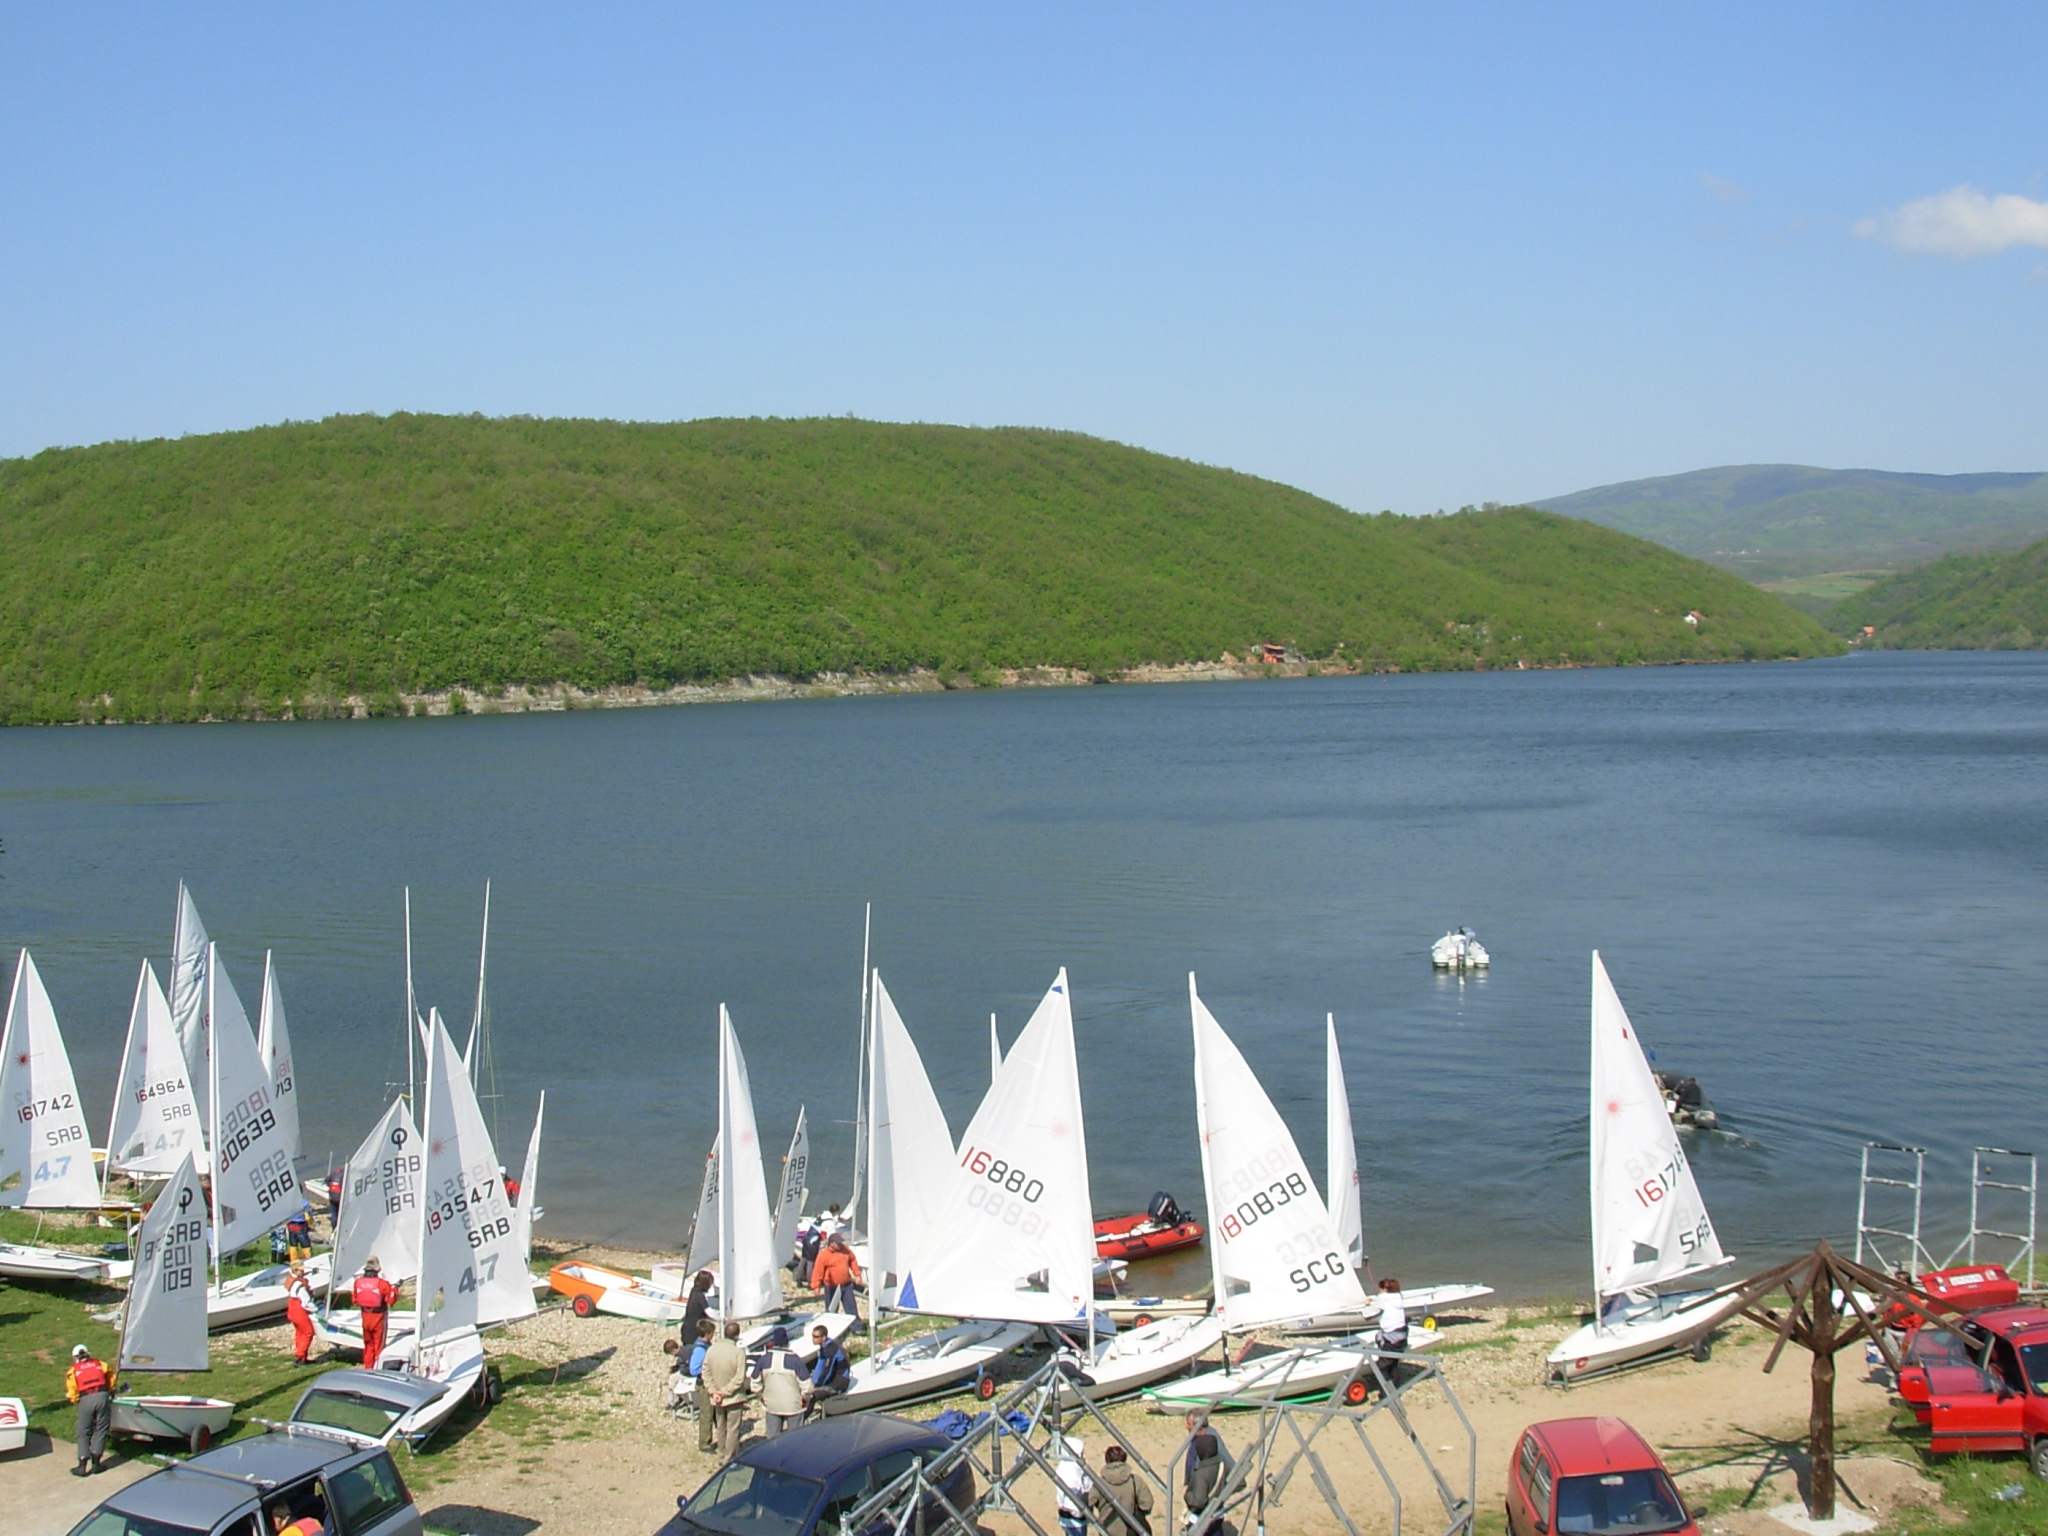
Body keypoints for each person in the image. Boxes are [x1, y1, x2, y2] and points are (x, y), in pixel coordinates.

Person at [701, 1319, 751, 1460]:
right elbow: (739, 1377)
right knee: (733, 1429)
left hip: (716, 1396)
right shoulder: (738, 1352)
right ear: (736, 1336)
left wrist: (713, 1391)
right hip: (732, 1397)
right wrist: (724, 1392)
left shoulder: (712, 1349)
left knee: (721, 1428)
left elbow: (705, 1371)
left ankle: (721, 1454)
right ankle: (729, 1458)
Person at [66, 1343, 113, 1477]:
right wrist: (110, 1391)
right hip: (102, 1396)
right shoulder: (101, 1364)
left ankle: (82, 1465)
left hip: (86, 1398)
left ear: (75, 1357)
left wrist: (75, 1400)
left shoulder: (73, 1371)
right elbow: (111, 1379)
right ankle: (97, 1463)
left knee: (83, 1431)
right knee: (101, 1428)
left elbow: (72, 1390)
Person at [752, 1326, 807, 1438]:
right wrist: (805, 1398)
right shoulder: (796, 1360)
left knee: (772, 1439)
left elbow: (755, 1384)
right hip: (793, 1405)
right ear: (787, 1342)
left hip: (772, 1404)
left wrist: (761, 1397)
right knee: (796, 1438)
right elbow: (807, 1385)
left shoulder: (763, 1360)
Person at [1182, 1411, 1231, 1535]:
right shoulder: (1197, 1437)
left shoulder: (1211, 1440)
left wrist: (1217, 1494)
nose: (1186, 1427)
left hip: (1206, 1504)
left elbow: (1231, 1466)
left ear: (1198, 1426)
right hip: (1200, 1491)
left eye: (1189, 1424)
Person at [1089, 1444, 1153, 1536]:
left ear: (1107, 1460)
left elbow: (1089, 1502)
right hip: (1132, 1529)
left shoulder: (1099, 1484)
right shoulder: (1135, 1480)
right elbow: (1147, 1505)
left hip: (1106, 1530)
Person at [352, 1256, 398, 1367]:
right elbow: (390, 1300)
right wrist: (395, 1289)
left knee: (368, 1344)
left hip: (365, 1317)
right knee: (379, 1345)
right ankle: (377, 1369)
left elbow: (354, 1300)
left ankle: (368, 1368)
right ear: (377, 1269)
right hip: (378, 1317)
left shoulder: (357, 1282)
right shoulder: (382, 1284)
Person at [687, 1318, 718, 1453]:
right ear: (708, 1334)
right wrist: (708, 1368)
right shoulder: (700, 1350)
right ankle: (705, 1443)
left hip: (710, 1383)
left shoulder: (706, 1346)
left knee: (716, 1412)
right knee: (707, 1414)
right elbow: (693, 1369)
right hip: (704, 1385)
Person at [810, 1232, 862, 1315]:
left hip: (846, 1285)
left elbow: (852, 1260)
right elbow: (817, 1271)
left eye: (840, 1242)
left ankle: (856, 1326)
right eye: (838, 1243)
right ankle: (831, 1326)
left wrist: (857, 1275)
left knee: (851, 1307)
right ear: (831, 1244)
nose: (840, 1245)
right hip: (831, 1286)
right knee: (831, 1310)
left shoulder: (845, 1250)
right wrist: (816, 1286)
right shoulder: (823, 1255)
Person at [804, 1323, 851, 1412]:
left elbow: (827, 1370)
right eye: (813, 1336)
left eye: (816, 1337)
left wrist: (817, 1386)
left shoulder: (830, 1350)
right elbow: (820, 1365)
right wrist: (813, 1382)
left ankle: (802, 1419)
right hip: (833, 1378)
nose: (813, 1339)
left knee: (812, 1396)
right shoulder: (824, 1347)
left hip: (841, 1381)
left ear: (824, 1337)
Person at [1054, 1435, 1090, 1536]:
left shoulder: (1072, 1465)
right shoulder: (1071, 1471)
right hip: (1075, 1519)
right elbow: (1071, 1500)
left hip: (1076, 1517)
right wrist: (1080, 1514)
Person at [285, 1260, 319, 1365]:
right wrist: (316, 1310)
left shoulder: (291, 1279)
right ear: (295, 1270)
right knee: (308, 1332)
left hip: (292, 1308)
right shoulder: (299, 1285)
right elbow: (306, 1302)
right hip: (299, 1310)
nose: (303, 1272)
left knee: (300, 1333)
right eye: (301, 1270)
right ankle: (299, 1357)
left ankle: (302, 1357)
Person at [677, 1269, 714, 1357]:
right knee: (693, 1352)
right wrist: (722, 1319)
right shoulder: (699, 1295)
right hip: (692, 1331)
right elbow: (709, 1312)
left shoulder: (694, 1291)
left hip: (687, 1328)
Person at [1373, 1277, 1408, 1353]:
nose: (1379, 1291)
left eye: (1380, 1289)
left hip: (1391, 1337)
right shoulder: (1398, 1297)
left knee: (1378, 1337)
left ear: (1384, 1289)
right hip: (1403, 1334)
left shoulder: (1382, 1298)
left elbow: (1368, 1315)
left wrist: (1367, 1305)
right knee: (1378, 1336)